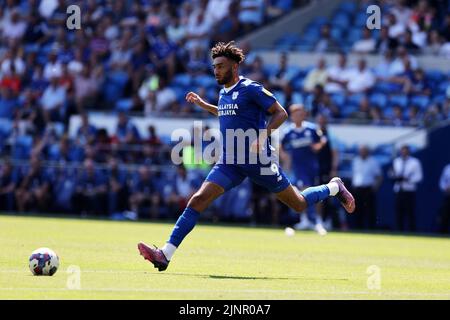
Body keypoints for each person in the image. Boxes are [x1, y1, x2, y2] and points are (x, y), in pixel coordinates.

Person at [137, 41, 355, 271]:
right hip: (230, 162)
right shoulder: (223, 93)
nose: (216, 71)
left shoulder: (251, 89)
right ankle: (165, 254)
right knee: (198, 200)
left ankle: (334, 187)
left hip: (258, 161)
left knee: (298, 204)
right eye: (214, 67)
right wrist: (203, 105)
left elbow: (280, 113)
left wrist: (263, 135)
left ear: (234, 66)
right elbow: (226, 112)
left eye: (220, 66)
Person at [281, 104, 328, 235]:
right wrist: (285, 159)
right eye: (296, 114)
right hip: (298, 168)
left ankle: (316, 220)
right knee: (304, 190)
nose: (298, 116)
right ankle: (310, 220)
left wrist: (317, 147)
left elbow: (322, 140)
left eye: (301, 114)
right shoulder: (288, 132)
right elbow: (281, 147)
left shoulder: (311, 129)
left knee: (316, 193)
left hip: (312, 166)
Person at [391, 145, 423, 232]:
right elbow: (393, 173)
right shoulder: (396, 161)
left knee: (410, 213)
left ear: (409, 151)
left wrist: (408, 179)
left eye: (406, 151)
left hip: (409, 190)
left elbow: (419, 177)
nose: (404, 152)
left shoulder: (415, 162)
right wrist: (394, 177)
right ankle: (398, 232)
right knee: (398, 213)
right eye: (402, 151)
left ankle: (412, 232)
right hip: (398, 190)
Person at [351, 145, 383, 230]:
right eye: (361, 151)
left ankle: (371, 230)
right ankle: (358, 229)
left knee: (370, 211)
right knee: (357, 210)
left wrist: (375, 188)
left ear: (367, 152)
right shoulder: (356, 160)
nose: (362, 153)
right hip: (357, 189)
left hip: (368, 189)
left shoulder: (373, 161)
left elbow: (379, 176)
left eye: (364, 151)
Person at [437, 163, 450, 233]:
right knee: (444, 216)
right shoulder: (447, 168)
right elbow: (442, 181)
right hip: (448, 196)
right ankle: (443, 235)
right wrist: (445, 188)